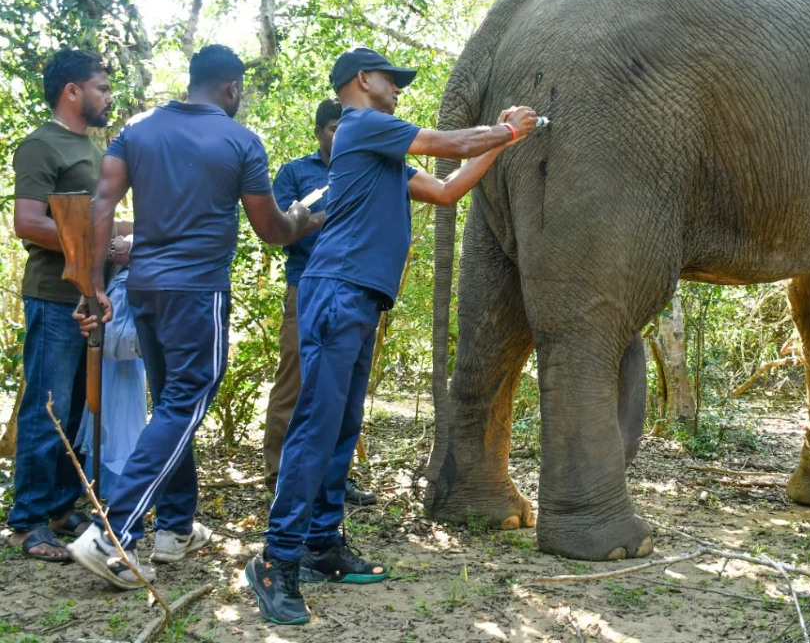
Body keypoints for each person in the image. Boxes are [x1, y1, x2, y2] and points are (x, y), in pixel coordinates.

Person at [245, 47, 537, 625]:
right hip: (336, 290)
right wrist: (506, 128)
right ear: (362, 80)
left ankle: (321, 544)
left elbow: (448, 190)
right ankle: (277, 560)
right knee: (316, 426)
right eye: (391, 79)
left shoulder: (380, 154)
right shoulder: (362, 125)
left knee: (341, 427)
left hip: (360, 297)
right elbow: (452, 145)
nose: (398, 88)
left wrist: (502, 143)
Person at [69, 45, 321, 589]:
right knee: (186, 400)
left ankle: (175, 528)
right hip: (197, 291)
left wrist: (93, 286)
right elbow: (271, 230)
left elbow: (101, 206)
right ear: (231, 88)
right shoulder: (240, 140)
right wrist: (306, 216)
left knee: (171, 404)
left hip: (143, 288)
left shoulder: (136, 129)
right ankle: (113, 532)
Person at [9, 48, 131, 563]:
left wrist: (130, 234)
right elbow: (29, 222)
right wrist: (104, 245)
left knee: (78, 409)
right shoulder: (41, 145)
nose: (108, 98)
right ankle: (28, 521)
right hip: (55, 296)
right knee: (49, 407)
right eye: (101, 88)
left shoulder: (92, 147)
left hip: (92, 297)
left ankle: (61, 508)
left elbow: (93, 221)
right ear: (72, 91)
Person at [263, 99, 373, 506]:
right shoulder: (296, 173)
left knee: (342, 390)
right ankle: (279, 477)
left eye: (345, 127)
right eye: (332, 127)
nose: (339, 134)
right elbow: (277, 231)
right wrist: (324, 217)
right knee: (294, 381)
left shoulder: (364, 168)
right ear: (318, 132)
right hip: (305, 287)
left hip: (352, 289)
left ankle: (334, 481)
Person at [75, 263, 148, 499]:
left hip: (128, 301)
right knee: (102, 399)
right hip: (106, 305)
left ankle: (119, 483)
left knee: (126, 402)